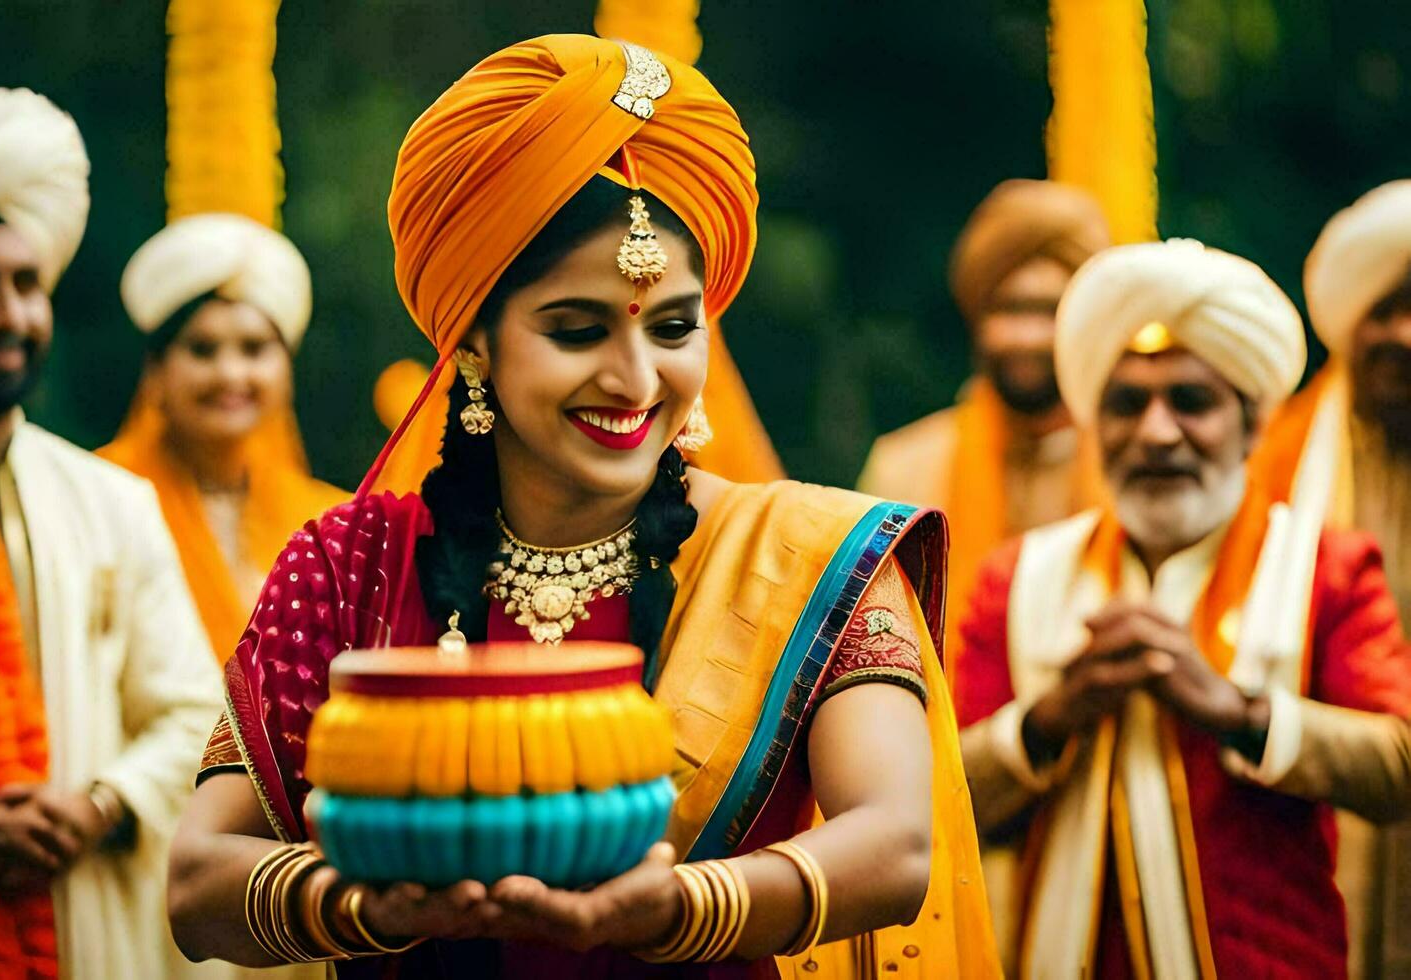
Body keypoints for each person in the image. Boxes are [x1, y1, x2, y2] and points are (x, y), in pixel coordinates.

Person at [167, 35, 998, 979]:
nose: (637, 378)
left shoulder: (803, 555)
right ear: (474, 338)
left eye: (676, 327)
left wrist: (678, 906)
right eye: (576, 330)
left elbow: (894, 845)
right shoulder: (351, 564)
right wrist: (360, 902)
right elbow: (198, 886)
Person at [952, 238, 1411, 978]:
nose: (1157, 433)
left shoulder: (1325, 567)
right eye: (1127, 405)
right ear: (1094, 429)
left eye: (1192, 402)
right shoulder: (1020, 577)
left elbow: (1398, 764)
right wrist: (1056, 713)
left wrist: (1235, 710)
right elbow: (942, 795)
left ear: (1253, 425)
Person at [0, 88, 222, 977]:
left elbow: (191, 711)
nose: (13, 316)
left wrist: (104, 803)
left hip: (88, 911)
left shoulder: (110, 502)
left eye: (29, 284)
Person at [1252, 180, 1411, 979]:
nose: (1404, 334)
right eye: (1384, 310)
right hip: (1321, 786)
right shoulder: (1273, 460)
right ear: (1349, 323)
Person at [857, 179, 1110, 659]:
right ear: (977, 315)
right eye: (1009, 309)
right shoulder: (901, 466)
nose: (1027, 336)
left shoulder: (1132, 469)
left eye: (1049, 310)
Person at [100, 213, 346, 665]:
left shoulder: (328, 523)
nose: (230, 374)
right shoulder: (99, 499)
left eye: (254, 349)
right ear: (155, 372)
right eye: (202, 349)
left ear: (286, 370)